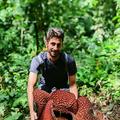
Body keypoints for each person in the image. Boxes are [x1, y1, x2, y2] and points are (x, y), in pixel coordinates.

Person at [27, 27, 78, 120]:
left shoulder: (68, 60)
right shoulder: (38, 60)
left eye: (58, 45)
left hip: (63, 90)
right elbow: (31, 85)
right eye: (53, 44)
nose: (55, 48)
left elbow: (73, 84)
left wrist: (75, 107)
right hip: (45, 90)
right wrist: (31, 111)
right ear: (46, 43)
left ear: (62, 45)